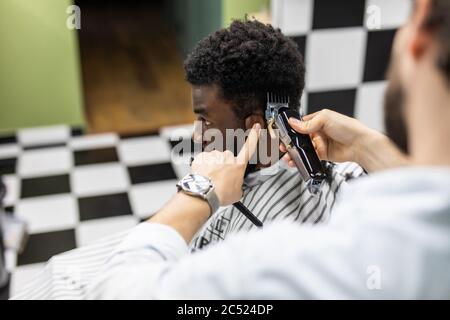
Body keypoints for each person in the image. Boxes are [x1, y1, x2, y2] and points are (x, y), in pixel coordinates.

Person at [85, 0, 450, 299]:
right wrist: (366, 146)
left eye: (203, 119)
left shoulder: (271, 263)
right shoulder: (366, 184)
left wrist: (197, 190)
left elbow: (116, 292)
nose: (195, 135)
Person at [183, 19, 364, 250]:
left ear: (254, 127)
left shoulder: (265, 246)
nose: (197, 135)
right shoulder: (353, 175)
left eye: (205, 121)